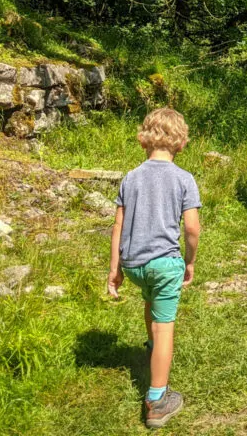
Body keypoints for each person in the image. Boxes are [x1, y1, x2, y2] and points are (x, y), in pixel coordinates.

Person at [107, 107, 201, 429]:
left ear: (144, 138)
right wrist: (189, 260)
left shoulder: (131, 177)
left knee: (149, 300)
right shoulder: (184, 179)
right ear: (180, 142)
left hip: (134, 264)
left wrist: (114, 270)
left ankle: (151, 350)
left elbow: (117, 226)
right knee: (165, 326)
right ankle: (157, 400)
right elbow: (191, 229)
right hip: (164, 262)